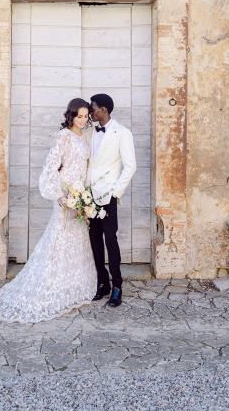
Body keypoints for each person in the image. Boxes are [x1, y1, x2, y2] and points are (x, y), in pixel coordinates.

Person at [0, 98, 96, 323]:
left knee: (77, 239)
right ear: (71, 116)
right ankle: (49, 287)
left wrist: (83, 196)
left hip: (79, 195)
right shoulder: (63, 136)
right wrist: (60, 196)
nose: (83, 120)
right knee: (58, 239)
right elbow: (50, 169)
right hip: (66, 197)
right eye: (79, 116)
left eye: (86, 116)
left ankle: (73, 287)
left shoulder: (83, 137)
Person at [86, 93, 137, 307]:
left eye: (93, 108)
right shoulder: (90, 132)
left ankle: (117, 286)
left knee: (110, 240)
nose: (90, 111)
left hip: (109, 196)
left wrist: (116, 192)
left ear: (104, 109)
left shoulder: (122, 133)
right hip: (88, 195)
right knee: (94, 240)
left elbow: (131, 165)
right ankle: (102, 282)